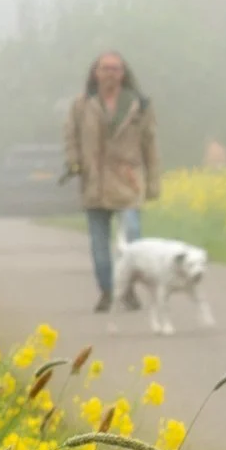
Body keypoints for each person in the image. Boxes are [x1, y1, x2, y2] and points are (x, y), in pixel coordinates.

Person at [62, 50, 161, 311]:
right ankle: (107, 290)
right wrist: (73, 161)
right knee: (98, 243)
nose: (109, 73)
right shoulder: (82, 104)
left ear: (123, 73)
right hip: (94, 181)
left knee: (132, 236)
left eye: (115, 69)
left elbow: (150, 144)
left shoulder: (139, 104)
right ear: (95, 73)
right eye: (104, 68)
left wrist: (153, 182)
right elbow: (70, 136)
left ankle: (127, 288)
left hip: (128, 179)